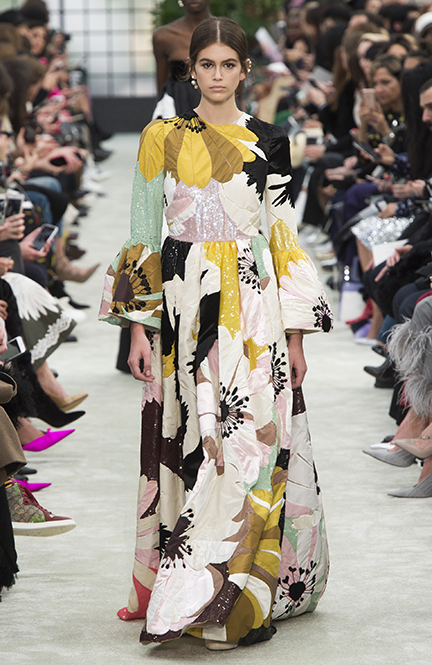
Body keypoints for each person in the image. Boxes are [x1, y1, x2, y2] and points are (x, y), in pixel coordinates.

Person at [100, 17, 332, 650]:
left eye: (230, 64)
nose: (219, 75)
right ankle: (195, 590)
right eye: (208, 64)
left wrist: (297, 335)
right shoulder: (161, 137)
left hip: (254, 306)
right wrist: (139, 329)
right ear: (191, 69)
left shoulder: (270, 140)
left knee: (251, 439)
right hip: (183, 307)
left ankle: (235, 596)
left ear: (245, 71)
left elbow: (281, 234)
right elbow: (144, 232)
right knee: (194, 440)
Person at [151, 0, 211, 119]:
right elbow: (161, 80)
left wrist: (241, 104)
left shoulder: (227, 33)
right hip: (178, 103)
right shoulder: (164, 36)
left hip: (217, 98)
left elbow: (236, 73)